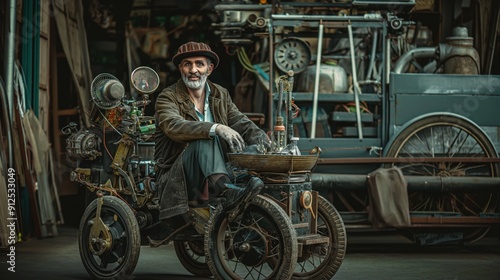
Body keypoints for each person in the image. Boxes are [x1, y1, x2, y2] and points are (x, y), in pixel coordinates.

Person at [154, 41, 269, 222]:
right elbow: (173, 126)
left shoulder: (220, 94)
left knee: (255, 150)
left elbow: (241, 122)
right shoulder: (168, 97)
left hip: (217, 173)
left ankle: (233, 192)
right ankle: (225, 191)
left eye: (199, 64)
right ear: (180, 69)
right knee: (205, 137)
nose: (193, 70)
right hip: (180, 179)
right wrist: (216, 127)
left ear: (209, 69)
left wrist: (266, 144)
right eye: (187, 64)